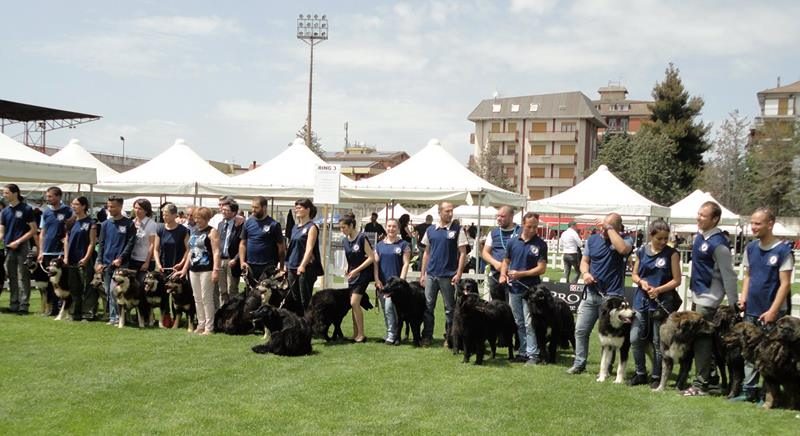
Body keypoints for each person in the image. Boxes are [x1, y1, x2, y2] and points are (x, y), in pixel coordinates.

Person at [732, 207, 793, 402]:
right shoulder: (751, 248)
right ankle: (749, 391)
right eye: (752, 223)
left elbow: (785, 284)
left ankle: (769, 395)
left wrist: (773, 311)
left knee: (771, 356)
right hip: (752, 309)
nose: (753, 227)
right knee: (749, 352)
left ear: (770, 224)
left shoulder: (783, 251)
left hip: (772, 312)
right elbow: (748, 276)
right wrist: (743, 297)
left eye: (757, 223)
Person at [681, 201, 739, 396]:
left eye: (703, 216)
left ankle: (700, 384)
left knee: (702, 341)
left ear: (715, 219)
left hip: (709, 298)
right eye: (698, 214)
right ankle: (711, 378)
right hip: (698, 294)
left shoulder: (719, 244)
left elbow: (728, 275)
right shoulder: (700, 237)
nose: (699, 218)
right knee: (702, 340)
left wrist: (733, 303)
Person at [567, 213, 633, 375]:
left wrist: (609, 229)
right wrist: (585, 273)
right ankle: (579, 363)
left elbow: (623, 249)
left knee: (611, 335)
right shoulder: (593, 239)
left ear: (618, 228)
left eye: (607, 227)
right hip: (591, 293)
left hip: (613, 297)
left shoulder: (626, 240)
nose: (603, 231)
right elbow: (584, 261)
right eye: (602, 228)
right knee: (581, 330)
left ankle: (608, 367)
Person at [630, 219, 681, 388]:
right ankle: (640, 373)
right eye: (659, 238)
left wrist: (658, 290)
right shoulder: (642, 251)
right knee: (636, 337)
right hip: (641, 300)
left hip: (661, 303)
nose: (663, 242)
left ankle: (657, 376)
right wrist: (641, 283)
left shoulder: (671, 254)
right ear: (651, 235)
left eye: (666, 238)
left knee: (658, 341)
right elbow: (635, 274)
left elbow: (677, 280)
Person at [500, 212, 547, 365]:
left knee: (529, 323)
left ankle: (533, 354)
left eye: (535, 226)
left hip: (531, 290)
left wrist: (521, 274)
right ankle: (522, 351)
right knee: (518, 321)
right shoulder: (513, 242)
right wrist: (503, 274)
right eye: (529, 227)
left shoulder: (540, 244)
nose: (533, 230)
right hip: (514, 289)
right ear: (523, 224)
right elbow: (506, 261)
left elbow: (541, 268)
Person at [419, 201, 468, 347]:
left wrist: (458, 273)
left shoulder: (457, 229)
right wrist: (423, 274)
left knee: (450, 309)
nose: (450, 214)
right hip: (431, 275)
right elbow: (426, 253)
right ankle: (427, 336)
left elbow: (463, 253)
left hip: (448, 275)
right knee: (428, 308)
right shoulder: (430, 230)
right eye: (447, 211)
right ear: (440, 212)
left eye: (451, 211)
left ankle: (450, 338)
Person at [95, 196, 136, 325]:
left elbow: (130, 243)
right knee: (108, 291)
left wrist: (121, 258)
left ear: (120, 207)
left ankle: (119, 317)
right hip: (106, 263)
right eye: (108, 206)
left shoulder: (129, 224)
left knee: (116, 290)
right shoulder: (105, 224)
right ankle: (114, 316)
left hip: (121, 265)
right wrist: (99, 261)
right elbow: (101, 244)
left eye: (112, 206)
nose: (110, 209)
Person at [180, 207, 220, 335]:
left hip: (207, 269)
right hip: (193, 269)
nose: (197, 220)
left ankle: (209, 326)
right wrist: (185, 268)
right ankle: (201, 324)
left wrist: (215, 270)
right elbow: (190, 251)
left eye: (200, 218)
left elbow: (216, 252)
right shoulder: (194, 231)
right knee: (197, 298)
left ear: (207, 219)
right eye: (195, 217)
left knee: (206, 298)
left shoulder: (212, 231)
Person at [0, 184, 38, 314]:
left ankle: (24, 304)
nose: (4, 195)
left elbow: (33, 230)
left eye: (6, 193)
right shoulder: (4, 212)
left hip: (22, 247)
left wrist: (18, 241)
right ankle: (13, 303)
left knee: (23, 276)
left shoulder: (26, 209)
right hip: (9, 247)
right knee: (11, 276)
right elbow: (2, 232)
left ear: (15, 193)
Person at [374, 218, 411, 345]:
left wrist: (401, 281)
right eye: (389, 226)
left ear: (398, 229)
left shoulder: (404, 245)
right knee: (386, 310)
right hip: (383, 284)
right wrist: (377, 279)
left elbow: (406, 263)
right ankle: (392, 333)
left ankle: (392, 335)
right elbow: (375, 264)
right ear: (385, 227)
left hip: (395, 287)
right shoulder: (379, 245)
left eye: (394, 226)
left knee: (391, 309)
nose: (391, 229)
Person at [37, 186, 73, 315]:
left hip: (60, 252)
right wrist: (41, 251)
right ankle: (51, 309)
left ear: (58, 197)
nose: (48, 199)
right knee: (50, 282)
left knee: (61, 282)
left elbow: (69, 232)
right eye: (47, 196)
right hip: (47, 251)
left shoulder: (68, 211)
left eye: (50, 196)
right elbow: (42, 232)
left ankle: (63, 309)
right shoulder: (46, 212)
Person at [339, 212, 375, 343]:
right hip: (352, 274)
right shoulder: (344, 241)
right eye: (340, 228)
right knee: (353, 304)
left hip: (363, 274)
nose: (342, 230)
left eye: (344, 227)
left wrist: (357, 270)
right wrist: (347, 269)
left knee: (354, 302)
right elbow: (349, 258)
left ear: (351, 225)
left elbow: (371, 258)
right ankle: (355, 334)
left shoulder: (361, 238)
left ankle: (361, 334)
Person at [154, 203, 190, 327]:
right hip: (164, 267)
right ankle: (165, 318)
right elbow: (156, 249)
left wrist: (182, 263)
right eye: (163, 214)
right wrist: (158, 263)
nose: (164, 217)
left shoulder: (183, 230)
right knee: (164, 295)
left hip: (178, 268)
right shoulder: (160, 229)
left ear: (175, 215)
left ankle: (177, 318)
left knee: (178, 295)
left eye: (167, 214)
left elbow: (188, 249)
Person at [63, 196, 97, 321]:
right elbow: (66, 240)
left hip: (85, 259)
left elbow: (92, 243)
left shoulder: (91, 223)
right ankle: (74, 313)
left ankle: (88, 313)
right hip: (71, 258)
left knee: (87, 287)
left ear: (84, 206)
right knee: (74, 287)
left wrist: (86, 258)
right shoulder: (70, 221)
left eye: (77, 204)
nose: (74, 206)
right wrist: (66, 257)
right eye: (73, 204)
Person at [286, 199, 323, 311]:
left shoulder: (312, 227)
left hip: (305, 268)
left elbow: (309, 248)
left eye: (300, 207)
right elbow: (291, 247)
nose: (296, 210)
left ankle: (308, 323)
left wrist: (302, 265)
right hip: (291, 266)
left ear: (308, 210)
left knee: (304, 299)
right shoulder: (294, 228)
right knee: (294, 298)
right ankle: (298, 324)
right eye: (295, 207)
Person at [239, 196, 285, 284]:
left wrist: (281, 267)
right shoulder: (248, 223)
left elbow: (281, 247)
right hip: (250, 265)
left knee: (266, 294)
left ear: (264, 208)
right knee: (251, 294)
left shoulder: (274, 225)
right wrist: (242, 262)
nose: (253, 210)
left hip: (268, 266)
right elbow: (242, 244)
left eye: (256, 207)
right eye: (252, 207)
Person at [481, 206, 519, 301]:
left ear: (511, 217)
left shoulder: (521, 231)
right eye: (498, 216)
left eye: (502, 216)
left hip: (515, 276)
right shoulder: (493, 233)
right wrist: (495, 263)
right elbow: (485, 252)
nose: (499, 218)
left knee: (513, 309)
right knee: (498, 308)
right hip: (496, 275)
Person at [216, 200, 244, 305]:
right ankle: (223, 314)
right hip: (220, 260)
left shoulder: (240, 225)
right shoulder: (220, 224)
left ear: (234, 212)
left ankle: (233, 314)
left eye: (226, 210)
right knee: (222, 291)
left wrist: (236, 259)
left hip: (232, 260)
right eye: (223, 209)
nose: (223, 212)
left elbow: (242, 245)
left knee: (231, 289)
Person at [130, 199, 158, 298]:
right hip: (133, 259)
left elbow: (152, 244)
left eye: (140, 209)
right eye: (136, 208)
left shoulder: (151, 224)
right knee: (133, 286)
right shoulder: (132, 222)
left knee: (143, 285)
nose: (137, 211)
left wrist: (147, 262)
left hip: (145, 260)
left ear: (146, 210)